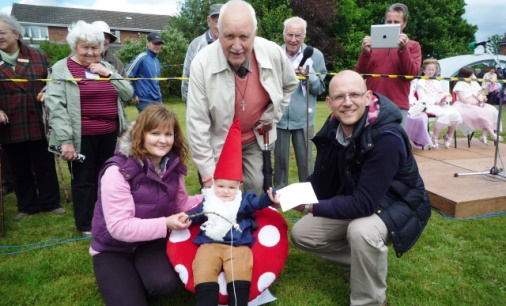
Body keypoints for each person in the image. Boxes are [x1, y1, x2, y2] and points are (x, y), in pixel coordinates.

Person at [290, 70, 431, 306]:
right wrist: (289, 193)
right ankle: (366, 264)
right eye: (339, 97)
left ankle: (371, 301)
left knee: (361, 231)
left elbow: (364, 205)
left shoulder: (386, 137)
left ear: (367, 97)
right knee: (302, 234)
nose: (347, 103)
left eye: (354, 95)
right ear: (329, 102)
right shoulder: (334, 126)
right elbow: (322, 179)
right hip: (360, 197)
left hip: (396, 203)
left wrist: (309, 206)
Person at [90, 105, 203, 306]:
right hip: (112, 248)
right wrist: (166, 223)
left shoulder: (172, 167)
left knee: (165, 284)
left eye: (169, 134)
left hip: (150, 243)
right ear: (141, 134)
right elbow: (119, 227)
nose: (163, 140)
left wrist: (214, 197)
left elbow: (181, 204)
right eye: (155, 133)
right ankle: (125, 278)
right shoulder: (116, 171)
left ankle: (139, 276)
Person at [186, 0, 299, 196]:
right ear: (218, 33)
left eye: (244, 37)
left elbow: (290, 84)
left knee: (256, 188)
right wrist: (208, 175)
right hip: (220, 140)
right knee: (223, 193)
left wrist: (271, 116)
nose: (237, 46)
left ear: (254, 33)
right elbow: (197, 123)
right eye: (229, 36)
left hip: (254, 139)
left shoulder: (272, 52)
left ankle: (251, 224)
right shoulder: (201, 63)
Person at [45, 20, 133, 236]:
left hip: (112, 134)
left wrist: (108, 74)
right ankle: (86, 224)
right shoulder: (61, 68)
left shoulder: (107, 67)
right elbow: (56, 107)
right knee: (84, 181)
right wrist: (66, 140)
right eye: (85, 47)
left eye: (95, 47)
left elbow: (128, 94)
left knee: (110, 178)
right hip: (81, 135)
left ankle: (109, 216)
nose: (91, 52)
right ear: (75, 46)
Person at [184, 120, 280, 306]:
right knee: (203, 266)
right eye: (220, 186)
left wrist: (269, 198)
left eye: (231, 187)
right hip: (209, 243)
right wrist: (188, 218)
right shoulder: (209, 200)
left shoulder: (243, 200)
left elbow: (258, 203)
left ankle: (238, 301)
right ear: (213, 183)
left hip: (238, 244)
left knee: (241, 266)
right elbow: (198, 213)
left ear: (239, 186)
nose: (225, 191)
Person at [0, 14, 63, 221]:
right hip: (10, 123)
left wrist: (47, 92)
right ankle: (26, 206)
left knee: (45, 165)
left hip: (37, 119)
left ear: (16, 34)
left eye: (2, 33)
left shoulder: (38, 55)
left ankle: (51, 202)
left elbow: (52, 81)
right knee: (19, 168)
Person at [274, 16, 327, 188]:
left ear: (304, 36)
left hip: (304, 118)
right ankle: (278, 196)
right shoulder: (275, 54)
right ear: (283, 35)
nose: (293, 39)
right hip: (279, 117)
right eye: (290, 35)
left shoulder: (315, 56)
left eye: (298, 35)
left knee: (305, 162)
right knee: (280, 161)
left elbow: (320, 88)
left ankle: (306, 194)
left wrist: (307, 78)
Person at [356, 3, 422, 128]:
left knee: (395, 143)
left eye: (396, 22)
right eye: (389, 21)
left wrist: (403, 50)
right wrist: (365, 52)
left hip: (398, 104)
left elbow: (411, 74)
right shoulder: (373, 44)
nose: (391, 25)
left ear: (404, 24)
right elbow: (361, 73)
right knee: (369, 143)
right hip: (372, 103)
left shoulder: (413, 46)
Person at [411, 58, 462, 149]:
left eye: (433, 70)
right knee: (444, 114)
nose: (431, 72)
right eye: (429, 69)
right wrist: (436, 101)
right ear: (424, 70)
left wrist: (443, 98)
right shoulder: (420, 82)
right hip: (428, 105)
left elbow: (440, 93)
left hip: (439, 103)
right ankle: (434, 137)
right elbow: (422, 98)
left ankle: (449, 136)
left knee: (456, 114)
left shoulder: (436, 81)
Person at [181, 3, 223, 104]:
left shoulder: (232, 45)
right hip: (199, 102)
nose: (220, 27)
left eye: (223, 22)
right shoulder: (196, 45)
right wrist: (188, 101)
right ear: (209, 21)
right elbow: (187, 75)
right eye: (217, 22)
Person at [452, 66, 502, 144]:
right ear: (466, 75)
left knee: (492, 111)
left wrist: (482, 98)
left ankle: (484, 135)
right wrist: (473, 103)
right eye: (471, 74)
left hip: (477, 103)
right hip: (465, 104)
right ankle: (492, 134)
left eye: (472, 74)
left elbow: (481, 93)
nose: (473, 75)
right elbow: (462, 99)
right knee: (481, 113)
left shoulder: (474, 82)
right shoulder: (460, 83)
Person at [126, 32, 164, 113]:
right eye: (155, 43)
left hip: (158, 101)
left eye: (159, 44)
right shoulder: (141, 58)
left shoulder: (157, 62)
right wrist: (133, 95)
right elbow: (126, 76)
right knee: (150, 125)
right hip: (145, 101)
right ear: (148, 42)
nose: (157, 46)